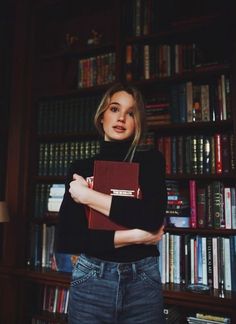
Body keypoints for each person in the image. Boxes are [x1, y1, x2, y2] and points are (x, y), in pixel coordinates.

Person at [56, 82, 167, 323]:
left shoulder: (151, 161)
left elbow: (151, 217)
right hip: (91, 278)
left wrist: (89, 197)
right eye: (115, 109)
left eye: (131, 113)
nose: (122, 118)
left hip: (143, 280)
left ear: (138, 122)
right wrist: (138, 237)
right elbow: (68, 237)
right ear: (101, 116)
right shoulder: (81, 169)